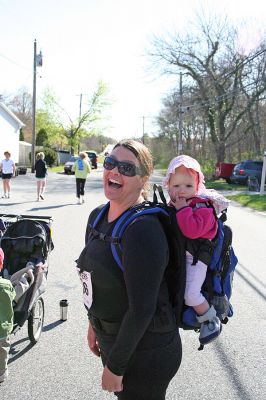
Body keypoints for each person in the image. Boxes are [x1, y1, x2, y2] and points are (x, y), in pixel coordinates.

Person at [77, 140, 182, 400]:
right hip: (116, 339)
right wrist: (94, 325)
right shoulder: (97, 217)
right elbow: (95, 279)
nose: (114, 171)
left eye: (126, 168)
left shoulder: (143, 230)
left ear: (143, 179)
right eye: (110, 163)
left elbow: (142, 309)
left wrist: (116, 366)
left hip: (147, 352)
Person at [163, 154, 230, 345]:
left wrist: (183, 210)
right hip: (181, 257)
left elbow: (191, 231)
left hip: (197, 259)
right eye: (176, 186)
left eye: (188, 186)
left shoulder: (203, 208)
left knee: (191, 295)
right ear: (168, 185)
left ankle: (210, 319)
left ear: (197, 186)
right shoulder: (177, 205)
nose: (182, 191)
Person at [0, 248, 15, 383]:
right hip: (2, 329)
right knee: (2, 352)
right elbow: (13, 296)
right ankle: (2, 373)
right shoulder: (6, 284)